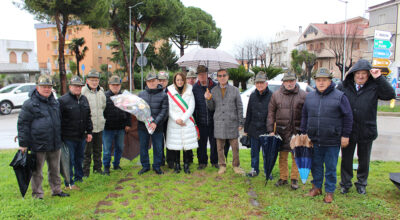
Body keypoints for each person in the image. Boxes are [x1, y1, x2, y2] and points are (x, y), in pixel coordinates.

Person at [338, 59, 396, 195]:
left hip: (366, 130)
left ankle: (361, 183)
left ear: (368, 75)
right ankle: (345, 184)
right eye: (358, 73)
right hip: (348, 130)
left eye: (364, 73)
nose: (360, 76)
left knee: (364, 159)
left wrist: (379, 77)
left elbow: (390, 94)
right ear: (353, 74)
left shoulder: (374, 87)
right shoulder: (344, 86)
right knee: (346, 158)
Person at [300, 68, 353, 203]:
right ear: (315, 81)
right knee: (316, 165)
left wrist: (345, 135)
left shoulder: (340, 96)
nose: (321, 83)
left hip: (332, 140)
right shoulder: (310, 97)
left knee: (330, 167)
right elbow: (305, 115)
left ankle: (329, 192)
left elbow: (348, 117)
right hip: (314, 139)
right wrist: (303, 133)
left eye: (324, 80)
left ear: (330, 81)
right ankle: (316, 187)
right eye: (318, 80)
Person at [17, 75, 69, 199]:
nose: (46, 89)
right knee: (37, 172)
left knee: (55, 170)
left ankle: (56, 190)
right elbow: (23, 124)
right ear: (37, 87)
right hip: (37, 144)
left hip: (54, 143)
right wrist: (23, 144)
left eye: (49, 87)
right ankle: (37, 194)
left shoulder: (55, 102)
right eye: (44, 87)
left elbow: (59, 121)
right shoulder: (29, 104)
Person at [267, 72, 306, 190]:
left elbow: (307, 114)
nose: (289, 83)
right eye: (287, 81)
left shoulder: (304, 95)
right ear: (283, 82)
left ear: (295, 81)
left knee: (296, 157)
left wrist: (305, 130)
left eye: (292, 81)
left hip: (297, 130)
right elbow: (270, 113)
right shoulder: (276, 95)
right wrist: (270, 130)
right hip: (281, 131)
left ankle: (294, 179)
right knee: (282, 156)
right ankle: (283, 178)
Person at [205, 69, 245, 175]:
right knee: (219, 147)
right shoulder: (213, 90)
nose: (222, 77)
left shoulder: (235, 90)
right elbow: (211, 108)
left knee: (235, 147)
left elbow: (240, 107)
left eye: (224, 75)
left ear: (228, 76)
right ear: (217, 77)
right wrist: (208, 99)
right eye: (220, 76)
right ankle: (222, 165)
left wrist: (241, 122)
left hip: (232, 122)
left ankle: (236, 166)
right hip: (219, 123)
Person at [59, 76, 93, 189]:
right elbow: (58, 120)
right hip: (68, 138)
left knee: (79, 159)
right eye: (75, 86)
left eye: (79, 86)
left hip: (81, 136)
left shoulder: (84, 99)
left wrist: (89, 132)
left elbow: (88, 117)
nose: (78, 88)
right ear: (70, 87)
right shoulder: (63, 101)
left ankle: (79, 177)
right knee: (69, 161)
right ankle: (69, 182)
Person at [166, 72, 199, 174]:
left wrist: (183, 119)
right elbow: (169, 109)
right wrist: (177, 119)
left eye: (181, 80)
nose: (179, 82)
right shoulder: (170, 92)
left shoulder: (190, 91)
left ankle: (186, 164)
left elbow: (191, 107)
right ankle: (177, 165)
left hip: (186, 122)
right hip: (174, 122)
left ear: (184, 80)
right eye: (177, 80)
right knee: (176, 145)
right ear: (175, 81)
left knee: (186, 145)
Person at [138, 71, 169, 175]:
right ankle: (145, 166)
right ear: (146, 82)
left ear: (157, 81)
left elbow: (164, 111)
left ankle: (157, 166)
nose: (151, 83)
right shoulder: (141, 95)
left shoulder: (163, 95)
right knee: (143, 147)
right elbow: (138, 111)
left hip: (157, 126)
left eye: (153, 81)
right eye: (149, 81)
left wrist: (155, 122)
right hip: (143, 126)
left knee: (158, 147)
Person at [244, 72, 272, 178]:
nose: (260, 85)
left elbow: (273, 113)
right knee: (254, 153)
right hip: (254, 129)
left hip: (266, 130)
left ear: (266, 83)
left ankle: (267, 171)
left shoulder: (271, 96)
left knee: (267, 154)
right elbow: (249, 113)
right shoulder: (252, 95)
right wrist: (246, 130)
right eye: (257, 83)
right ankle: (254, 170)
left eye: (262, 82)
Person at [102, 75, 132, 175]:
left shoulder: (123, 97)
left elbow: (128, 111)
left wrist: (128, 124)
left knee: (120, 147)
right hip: (107, 128)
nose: (115, 87)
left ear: (120, 86)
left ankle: (116, 164)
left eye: (117, 85)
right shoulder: (104, 96)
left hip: (120, 127)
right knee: (107, 149)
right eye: (113, 85)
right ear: (109, 85)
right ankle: (106, 167)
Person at [192, 65, 219, 169]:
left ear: (207, 74)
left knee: (214, 143)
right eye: (199, 74)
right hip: (200, 121)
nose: (201, 76)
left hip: (213, 120)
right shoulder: (195, 88)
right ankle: (202, 162)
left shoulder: (215, 86)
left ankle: (214, 161)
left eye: (203, 74)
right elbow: (193, 104)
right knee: (201, 144)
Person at [82, 69, 106, 177]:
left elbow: (103, 107)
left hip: (99, 125)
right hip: (88, 128)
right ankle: (85, 172)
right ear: (87, 81)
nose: (94, 82)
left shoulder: (101, 92)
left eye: (96, 80)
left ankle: (97, 168)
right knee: (87, 152)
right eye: (92, 80)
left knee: (98, 149)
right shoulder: (83, 92)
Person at [158, 71, 173, 168]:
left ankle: (170, 161)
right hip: (159, 120)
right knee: (159, 142)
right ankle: (160, 160)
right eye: (160, 80)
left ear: (167, 81)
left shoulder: (172, 91)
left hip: (169, 120)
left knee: (170, 141)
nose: (162, 82)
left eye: (164, 80)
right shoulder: (155, 90)